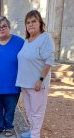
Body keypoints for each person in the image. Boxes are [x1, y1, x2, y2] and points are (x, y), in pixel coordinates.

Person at [16, 10, 55, 138]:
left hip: (37, 84)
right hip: (25, 83)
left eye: (34, 21)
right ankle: (32, 131)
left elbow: (49, 60)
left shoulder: (45, 38)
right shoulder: (27, 40)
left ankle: (35, 135)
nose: (31, 24)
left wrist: (41, 79)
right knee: (29, 111)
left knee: (37, 112)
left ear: (40, 23)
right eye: (28, 22)